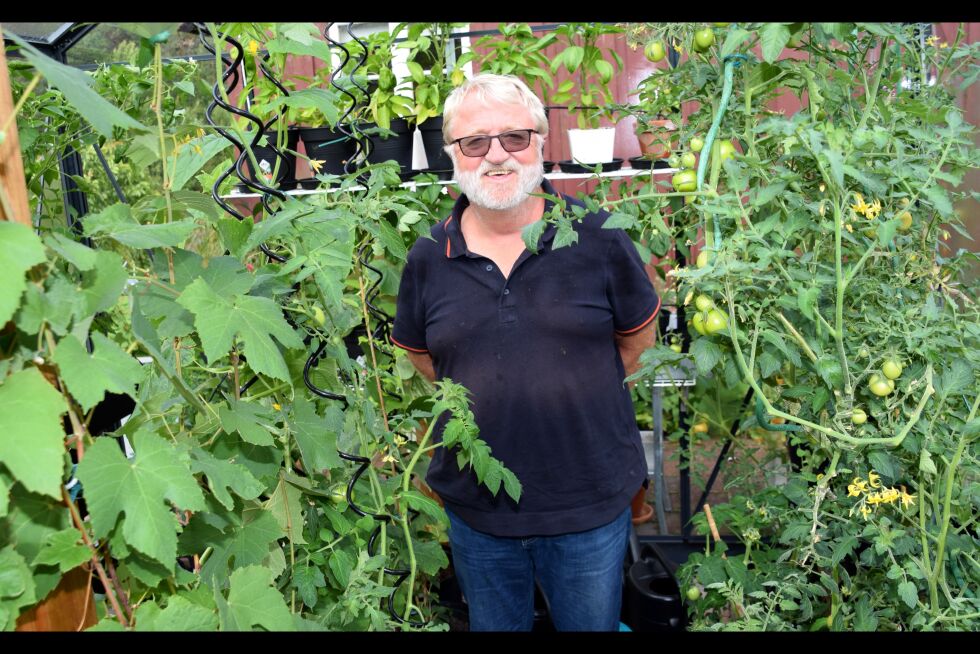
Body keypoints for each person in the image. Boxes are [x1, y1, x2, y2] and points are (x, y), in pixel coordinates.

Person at [391, 73, 659, 631]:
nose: (496, 155)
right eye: (474, 142)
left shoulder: (600, 237)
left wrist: (571, 391)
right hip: (477, 509)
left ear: (541, 141)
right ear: (452, 155)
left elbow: (637, 340)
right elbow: (425, 358)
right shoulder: (428, 256)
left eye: (514, 137)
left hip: (588, 501)